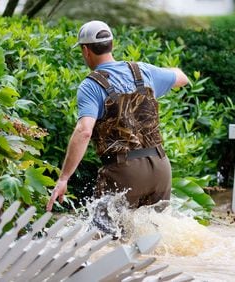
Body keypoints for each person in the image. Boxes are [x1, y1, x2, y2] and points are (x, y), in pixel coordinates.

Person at [46, 20, 189, 212]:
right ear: (112, 45)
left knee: (101, 239)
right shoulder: (143, 70)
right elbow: (182, 78)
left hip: (125, 171)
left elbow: (84, 132)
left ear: (86, 50)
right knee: (152, 238)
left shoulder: (90, 86)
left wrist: (63, 178)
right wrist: (163, 72)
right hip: (160, 168)